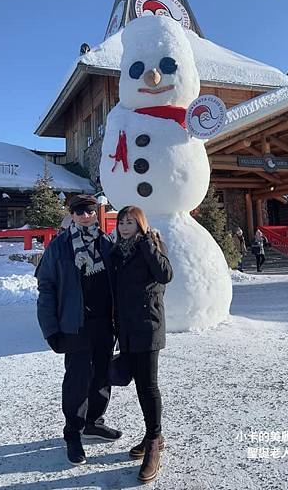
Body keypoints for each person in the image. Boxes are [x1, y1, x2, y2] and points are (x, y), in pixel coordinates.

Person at [36, 194, 121, 465]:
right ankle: (73, 432)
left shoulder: (106, 243)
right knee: (77, 380)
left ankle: (94, 422)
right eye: (80, 212)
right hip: (75, 325)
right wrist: (51, 330)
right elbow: (46, 288)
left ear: (96, 214)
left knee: (102, 376)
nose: (86, 216)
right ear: (71, 215)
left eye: (90, 211)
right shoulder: (60, 247)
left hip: (104, 324)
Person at [111, 206, 173, 484]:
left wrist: (148, 241)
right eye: (121, 222)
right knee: (138, 385)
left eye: (130, 222)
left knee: (148, 386)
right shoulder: (116, 251)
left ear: (141, 224)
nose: (124, 227)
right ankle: (155, 436)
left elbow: (165, 275)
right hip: (126, 329)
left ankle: (152, 444)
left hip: (148, 326)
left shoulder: (153, 245)